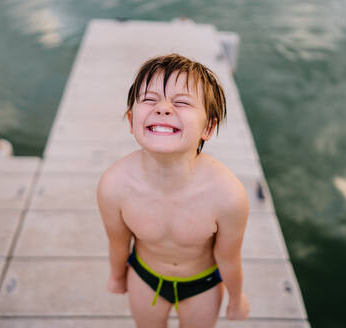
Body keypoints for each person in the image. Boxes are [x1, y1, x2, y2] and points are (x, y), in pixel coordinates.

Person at [97, 53, 250, 328]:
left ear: (209, 127)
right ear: (131, 121)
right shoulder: (114, 185)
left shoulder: (227, 195)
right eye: (149, 99)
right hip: (145, 278)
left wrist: (237, 298)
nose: (163, 108)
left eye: (181, 102)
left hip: (201, 285)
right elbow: (118, 241)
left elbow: (228, 256)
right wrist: (117, 276)